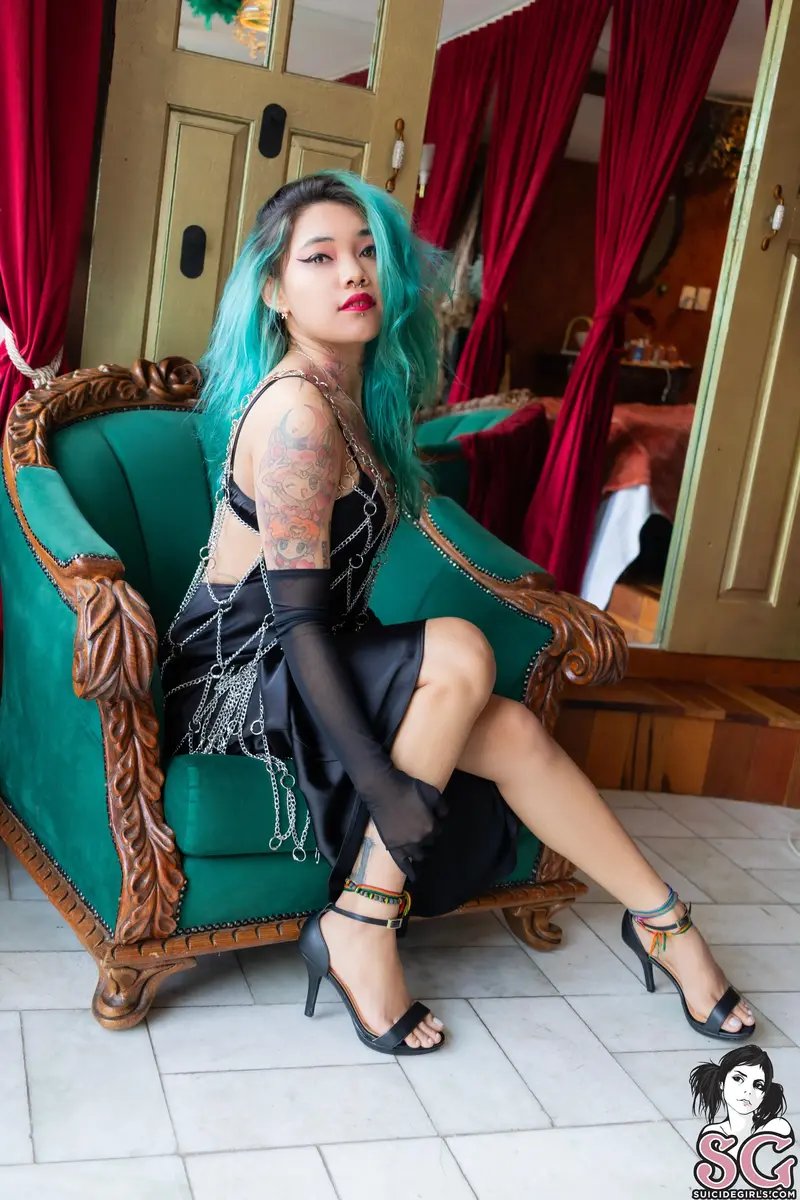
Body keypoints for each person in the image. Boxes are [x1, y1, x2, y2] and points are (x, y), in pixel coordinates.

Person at [159, 169, 756, 1056]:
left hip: (305, 657)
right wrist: (383, 787)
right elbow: (293, 626)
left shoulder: (354, 396)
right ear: (276, 293)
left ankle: (664, 924)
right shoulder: (295, 414)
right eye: (319, 257)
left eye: (367, 251)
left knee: (511, 731)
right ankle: (364, 922)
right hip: (235, 684)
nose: (352, 271)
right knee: (462, 650)